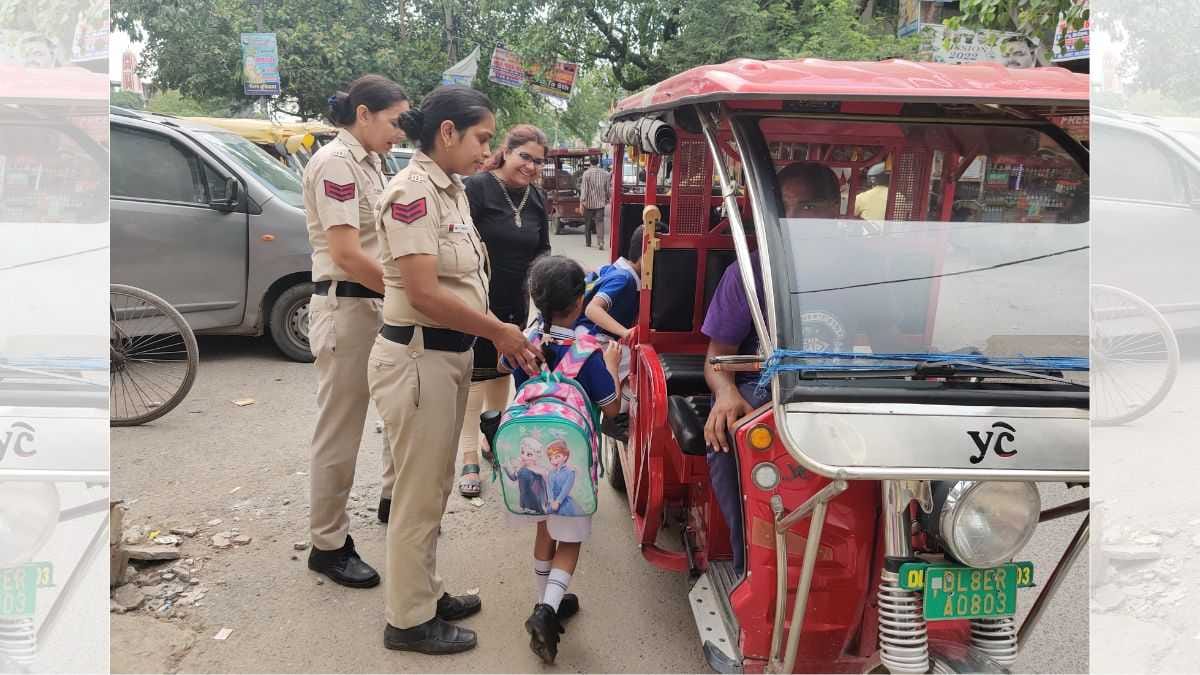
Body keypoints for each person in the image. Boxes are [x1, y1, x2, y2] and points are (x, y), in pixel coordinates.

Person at [370, 85, 543, 655]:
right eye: (482, 139)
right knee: (419, 495)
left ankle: (425, 592)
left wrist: (502, 334)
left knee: (435, 485)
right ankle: (409, 620)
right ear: (448, 132)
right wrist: (498, 331)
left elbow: (465, 282)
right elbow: (422, 293)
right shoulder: (411, 193)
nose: (486, 151)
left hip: (447, 356)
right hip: (419, 357)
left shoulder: (451, 192)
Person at [700, 161, 841, 577]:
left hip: (842, 392)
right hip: (762, 391)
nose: (794, 218)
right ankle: (753, 569)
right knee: (728, 433)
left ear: (836, 208)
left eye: (809, 206)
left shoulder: (865, 269)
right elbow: (716, 357)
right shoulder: (749, 272)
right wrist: (726, 394)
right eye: (785, 205)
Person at [302, 74, 409, 589]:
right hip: (347, 310)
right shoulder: (336, 164)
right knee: (340, 431)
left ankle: (390, 501)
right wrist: (402, 292)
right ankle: (327, 544)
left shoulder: (372, 162)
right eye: (394, 122)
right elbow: (346, 253)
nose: (400, 133)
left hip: (373, 307)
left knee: (395, 413)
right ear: (363, 113)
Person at [499, 254, 622, 664]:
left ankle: (544, 599)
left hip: (530, 461)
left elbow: (506, 369)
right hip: (567, 466)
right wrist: (613, 365)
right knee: (569, 538)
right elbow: (612, 408)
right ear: (578, 302)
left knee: (544, 529)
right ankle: (548, 609)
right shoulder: (587, 351)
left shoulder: (522, 343)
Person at [457, 124, 552, 498]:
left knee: (501, 369)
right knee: (474, 376)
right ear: (506, 152)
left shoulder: (537, 198)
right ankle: (467, 456)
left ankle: (490, 436)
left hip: (516, 299)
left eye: (538, 162)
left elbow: (542, 248)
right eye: (524, 157)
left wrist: (543, 285)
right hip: (475, 298)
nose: (530, 167)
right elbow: (459, 241)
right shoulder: (477, 188)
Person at [578, 156, 610, 248]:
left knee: (587, 222)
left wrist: (581, 203)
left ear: (590, 162)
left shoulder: (586, 174)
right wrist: (607, 198)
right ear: (598, 162)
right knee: (600, 222)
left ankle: (588, 242)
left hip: (588, 203)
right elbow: (607, 189)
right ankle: (600, 242)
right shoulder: (605, 174)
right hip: (600, 203)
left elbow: (584, 189)